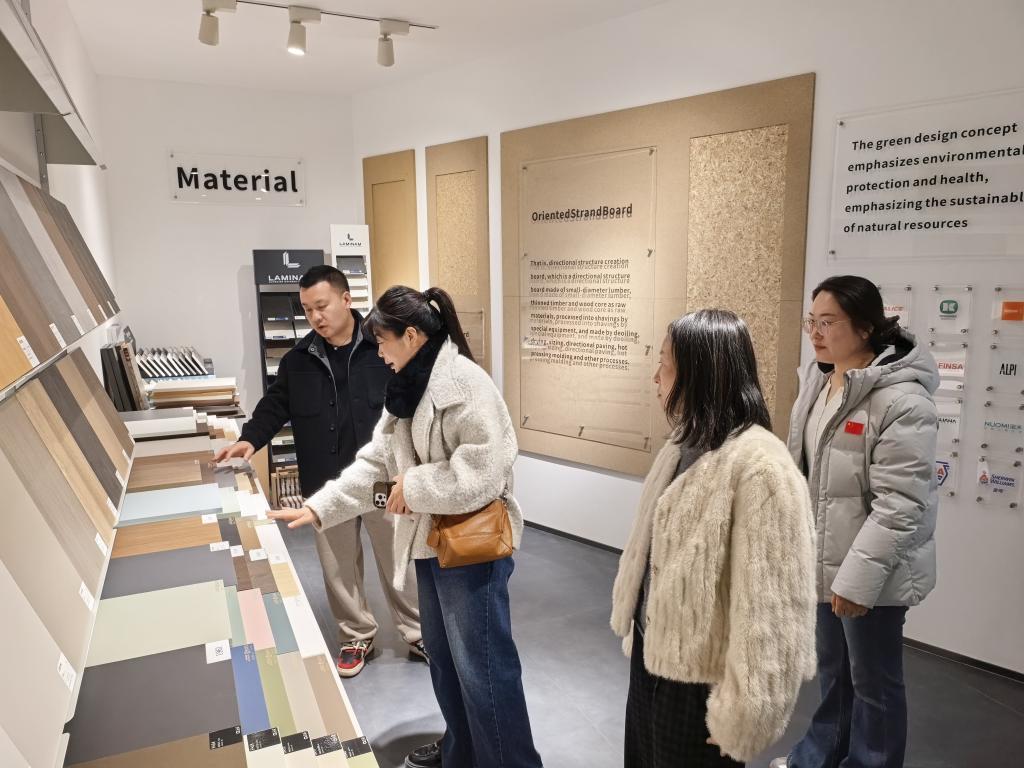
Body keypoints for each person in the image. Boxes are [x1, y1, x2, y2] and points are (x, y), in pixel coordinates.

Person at [269, 285, 543, 768]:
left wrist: (412, 486)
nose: (378, 352)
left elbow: (484, 471)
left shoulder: (466, 384)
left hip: (471, 548)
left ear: (412, 336)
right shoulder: (408, 387)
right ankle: (462, 751)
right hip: (431, 545)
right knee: (446, 660)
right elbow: (376, 461)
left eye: (383, 341)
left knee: (483, 668)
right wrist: (319, 507)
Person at [610, 308, 817, 768]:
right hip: (653, 656)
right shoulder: (682, 444)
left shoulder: (761, 466)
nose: (655, 378)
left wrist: (746, 712)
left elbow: (773, 608)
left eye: (665, 364)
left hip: (701, 683)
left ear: (700, 374)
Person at [214, 265, 423, 677]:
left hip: (382, 479)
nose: (315, 317)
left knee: (399, 559)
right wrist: (250, 439)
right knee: (337, 567)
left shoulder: (384, 349)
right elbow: (275, 405)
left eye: (322, 306)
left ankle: (419, 632)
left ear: (346, 299)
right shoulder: (298, 361)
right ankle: (356, 635)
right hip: (326, 485)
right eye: (307, 309)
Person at [772, 275, 939, 768]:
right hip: (825, 561)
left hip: (873, 574)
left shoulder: (902, 400)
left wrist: (857, 581)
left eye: (828, 322)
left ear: (865, 327)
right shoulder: (820, 384)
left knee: (874, 685)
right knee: (834, 675)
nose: (815, 333)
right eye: (811, 321)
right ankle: (819, 757)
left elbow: (900, 504)